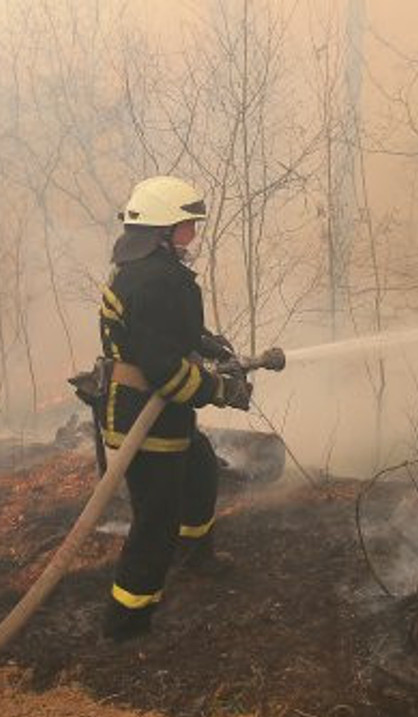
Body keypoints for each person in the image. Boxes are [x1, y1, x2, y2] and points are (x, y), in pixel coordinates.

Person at [97, 175, 251, 642]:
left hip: (150, 408)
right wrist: (222, 390)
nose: (193, 233)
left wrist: (204, 343)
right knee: (155, 520)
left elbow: (154, 334)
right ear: (162, 230)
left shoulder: (143, 270)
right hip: (143, 415)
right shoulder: (158, 280)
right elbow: (166, 369)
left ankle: (194, 555)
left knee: (200, 469)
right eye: (187, 224)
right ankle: (128, 620)